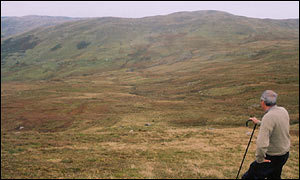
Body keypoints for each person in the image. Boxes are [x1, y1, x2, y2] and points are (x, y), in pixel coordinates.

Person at [242, 90, 290, 179]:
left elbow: (261, 144)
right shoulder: (283, 110)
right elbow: (277, 124)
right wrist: (260, 122)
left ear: (263, 102)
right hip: (284, 155)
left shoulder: (268, 117)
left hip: (272, 157)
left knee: (249, 177)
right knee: (274, 176)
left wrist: (260, 159)